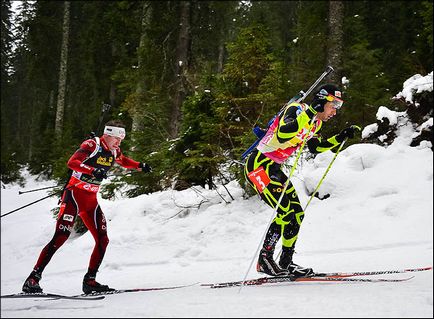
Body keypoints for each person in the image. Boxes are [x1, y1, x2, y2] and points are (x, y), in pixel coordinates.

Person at [22, 120, 152, 294]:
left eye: (121, 139)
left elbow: (123, 160)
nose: (119, 142)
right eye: (117, 138)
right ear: (108, 134)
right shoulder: (92, 145)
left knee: (103, 239)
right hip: (73, 197)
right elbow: (72, 162)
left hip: (90, 201)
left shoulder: (114, 150)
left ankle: (90, 281)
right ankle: (32, 279)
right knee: (61, 236)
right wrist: (92, 171)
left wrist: (139, 166)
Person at [244, 84, 357, 278]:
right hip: (259, 165)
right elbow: (283, 133)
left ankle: (286, 263)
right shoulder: (297, 110)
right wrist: (311, 110)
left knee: (296, 214)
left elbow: (315, 148)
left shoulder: (316, 123)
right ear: (322, 102)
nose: (335, 112)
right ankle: (265, 259)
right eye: (334, 106)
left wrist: (341, 137)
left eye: (338, 107)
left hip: (274, 168)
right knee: (285, 210)